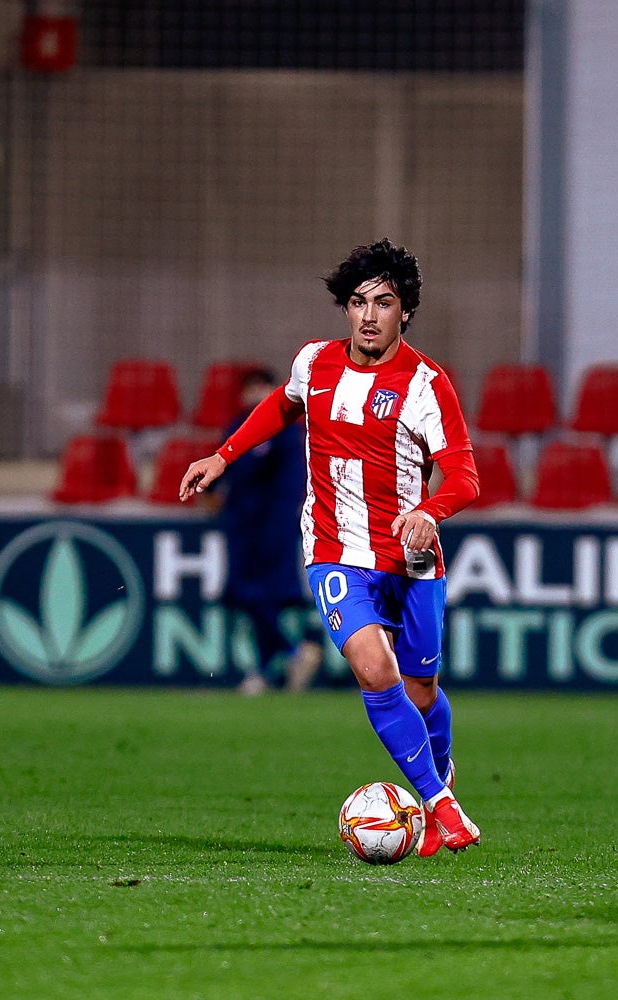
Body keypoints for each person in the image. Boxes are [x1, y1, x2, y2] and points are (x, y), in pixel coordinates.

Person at [180, 238, 482, 855]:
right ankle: (441, 807)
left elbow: (466, 476)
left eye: (384, 302)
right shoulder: (314, 364)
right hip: (334, 550)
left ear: (406, 312)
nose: (369, 315)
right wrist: (223, 456)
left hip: (411, 556)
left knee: (422, 690)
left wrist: (430, 508)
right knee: (376, 670)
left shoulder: (428, 384)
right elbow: (280, 406)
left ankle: (439, 775)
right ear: (345, 309)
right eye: (357, 302)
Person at [214, 366, 323, 696]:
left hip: (272, 526)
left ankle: (283, 659)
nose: (254, 394)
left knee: (258, 596)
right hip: (242, 525)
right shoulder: (238, 425)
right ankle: (277, 662)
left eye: (261, 387)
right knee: (249, 598)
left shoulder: (284, 430)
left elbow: (284, 478)